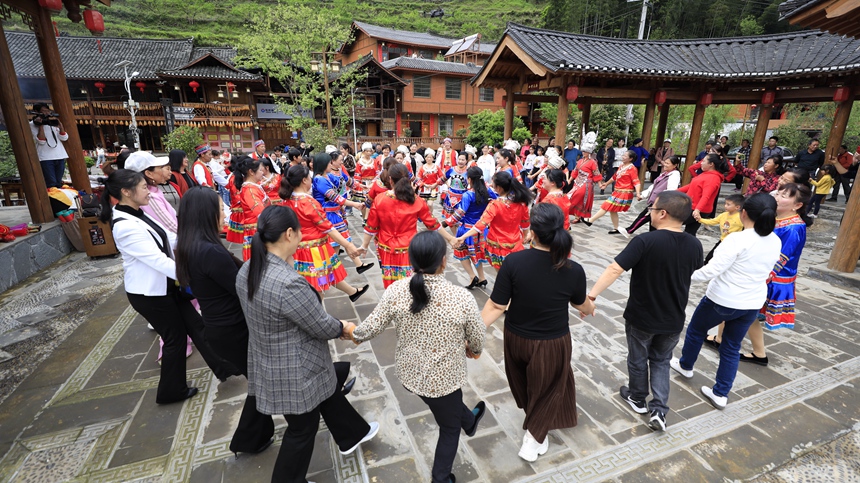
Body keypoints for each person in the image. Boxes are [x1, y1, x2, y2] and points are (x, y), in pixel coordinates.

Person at [235, 205, 379, 482]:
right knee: (302, 429)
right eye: (300, 231)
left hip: (267, 357)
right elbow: (320, 325)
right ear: (289, 233)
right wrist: (346, 328)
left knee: (327, 392)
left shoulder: (249, 268)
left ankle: (352, 434)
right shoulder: (287, 283)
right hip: (295, 367)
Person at [347, 231, 486, 483]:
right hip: (445, 379)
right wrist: (473, 350)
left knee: (449, 409)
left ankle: (470, 419)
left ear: (411, 260)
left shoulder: (396, 290)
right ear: (444, 261)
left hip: (411, 374)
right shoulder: (461, 298)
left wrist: (350, 332)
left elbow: (369, 328)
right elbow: (477, 338)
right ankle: (441, 478)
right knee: (449, 426)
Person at [100, 170, 234, 405]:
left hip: (167, 288)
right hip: (150, 294)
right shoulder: (124, 225)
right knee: (175, 339)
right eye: (143, 187)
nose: (148, 192)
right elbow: (157, 260)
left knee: (197, 326)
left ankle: (226, 367)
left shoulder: (137, 214)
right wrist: (195, 276)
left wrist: (195, 240)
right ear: (126, 192)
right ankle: (171, 391)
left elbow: (168, 238)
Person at [481, 204, 595, 461]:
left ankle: (535, 426)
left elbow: (497, 305)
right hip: (551, 342)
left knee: (527, 383)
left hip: (515, 339)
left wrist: (473, 332)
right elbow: (580, 303)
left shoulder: (514, 261)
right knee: (549, 388)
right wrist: (591, 306)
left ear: (532, 232)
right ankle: (533, 440)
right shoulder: (572, 268)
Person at [588, 191, 702, 430]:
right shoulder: (694, 244)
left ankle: (638, 397)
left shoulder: (645, 241)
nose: (649, 213)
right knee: (661, 361)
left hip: (642, 316)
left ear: (662, 213)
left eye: (652, 209)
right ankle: (659, 410)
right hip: (673, 317)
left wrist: (591, 295)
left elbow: (614, 269)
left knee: (638, 359)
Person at [174, 187, 275, 456]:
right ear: (206, 214)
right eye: (221, 209)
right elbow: (243, 288)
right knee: (265, 380)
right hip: (233, 330)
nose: (226, 212)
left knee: (263, 380)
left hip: (223, 328)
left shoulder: (192, 245)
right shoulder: (208, 251)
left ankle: (253, 438)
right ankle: (249, 439)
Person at [671, 193, 782, 410]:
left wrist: (681, 276)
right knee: (731, 347)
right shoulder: (775, 240)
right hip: (751, 303)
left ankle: (685, 366)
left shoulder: (738, 239)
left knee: (695, 330)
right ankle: (721, 393)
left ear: (744, 213)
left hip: (722, 299)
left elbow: (711, 270)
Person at [739, 183, 812, 366]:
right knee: (746, 314)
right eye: (779, 193)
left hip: (772, 279)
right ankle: (755, 351)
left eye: (785, 196)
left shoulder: (794, 227)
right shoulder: (778, 219)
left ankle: (756, 352)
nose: (778, 197)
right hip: (764, 275)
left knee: (747, 314)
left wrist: (762, 277)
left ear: (797, 205)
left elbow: (782, 258)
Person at [279, 164, 370, 301]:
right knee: (318, 285)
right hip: (314, 250)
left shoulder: (288, 200)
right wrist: (349, 245)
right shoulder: (309, 202)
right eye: (309, 178)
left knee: (323, 275)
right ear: (304, 180)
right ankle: (318, 318)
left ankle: (352, 292)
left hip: (298, 248)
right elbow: (328, 228)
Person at [359, 164, 455, 288]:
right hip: (410, 248)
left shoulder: (380, 199)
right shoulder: (416, 200)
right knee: (410, 282)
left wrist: (364, 246)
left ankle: (394, 303)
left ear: (390, 180)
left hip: (386, 247)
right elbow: (432, 224)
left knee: (391, 284)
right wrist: (450, 238)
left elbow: (371, 227)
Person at [454, 171, 532, 271]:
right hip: (516, 245)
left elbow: (481, 225)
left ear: (498, 188)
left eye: (493, 184)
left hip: (498, 247)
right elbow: (525, 223)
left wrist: (463, 237)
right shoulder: (521, 202)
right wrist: (525, 235)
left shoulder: (495, 205)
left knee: (501, 275)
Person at [311, 153, 373, 273]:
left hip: (335, 213)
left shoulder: (328, 176)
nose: (332, 165)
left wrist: (361, 187)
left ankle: (356, 265)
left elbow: (345, 181)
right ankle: (331, 270)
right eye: (330, 163)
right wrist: (355, 204)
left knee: (343, 241)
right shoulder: (319, 180)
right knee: (337, 243)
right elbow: (335, 198)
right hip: (328, 215)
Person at [446, 167, 497, 289]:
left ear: (469, 179)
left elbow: (460, 213)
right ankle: (482, 277)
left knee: (461, 252)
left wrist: (446, 222)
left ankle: (471, 276)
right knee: (478, 254)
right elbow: (496, 201)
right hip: (482, 230)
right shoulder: (488, 191)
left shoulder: (468, 195)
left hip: (467, 230)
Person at [582, 150, 641, 236]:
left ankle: (590, 220)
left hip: (624, 192)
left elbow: (636, 181)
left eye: (625, 156)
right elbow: (614, 177)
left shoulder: (632, 168)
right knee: (612, 210)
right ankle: (616, 228)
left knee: (606, 205)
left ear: (630, 159)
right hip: (617, 192)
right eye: (623, 155)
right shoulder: (621, 166)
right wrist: (606, 184)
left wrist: (638, 193)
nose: (623, 157)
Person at [127, 152, 181, 232]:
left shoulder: (153, 191)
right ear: (149, 173)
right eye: (160, 168)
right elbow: (172, 227)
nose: (163, 172)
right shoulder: (149, 196)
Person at [626, 155, 681, 234]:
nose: (665, 164)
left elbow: (671, 190)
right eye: (665, 162)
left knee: (644, 216)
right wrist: (643, 195)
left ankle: (629, 230)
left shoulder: (674, 175)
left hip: (660, 202)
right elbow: (653, 187)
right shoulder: (664, 174)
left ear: (675, 165)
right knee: (653, 221)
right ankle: (653, 237)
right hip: (655, 201)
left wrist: (660, 198)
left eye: (668, 163)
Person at [677, 154, 729, 236]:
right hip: (693, 207)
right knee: (689, 233)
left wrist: (698, 210)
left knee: (671, 223)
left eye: (704, 161)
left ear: (711, 164)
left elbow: (706, 196)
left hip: (698, 209)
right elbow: (691, 186)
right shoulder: (705, 174)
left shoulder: (713, 178)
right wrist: (674, 192)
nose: (701, 163)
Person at [234, 156, 270, 261]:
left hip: (259, 227)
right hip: (256, 229)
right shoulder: (249, 190)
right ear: (251, 172)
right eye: (260, 170)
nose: (262, 172)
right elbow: (260, 211)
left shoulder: (253, 187)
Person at [29, 103, 69, 188]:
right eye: (44, 111)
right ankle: (52, 200)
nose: (46, 113)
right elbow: (41, 141)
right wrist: (41, 125)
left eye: (48, 111)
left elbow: (64, 138)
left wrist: (61, 127)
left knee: (58, 182)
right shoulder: (32, 124)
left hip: (60, 155)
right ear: (36, 112)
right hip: (45, 157)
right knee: (51, 183)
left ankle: (59, 200)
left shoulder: (51, 120)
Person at [697, 194, 745, 263]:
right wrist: (700, 219)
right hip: (722, 240)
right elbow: (712, 221)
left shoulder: (740, 217)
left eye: (728, 204)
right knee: (710, 257)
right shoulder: (723, 215)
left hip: (733, 243)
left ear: (737, 207)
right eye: (725, 203)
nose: (725, 206)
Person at [568, 132, 603, 223]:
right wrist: (570, 179)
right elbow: (575, 170)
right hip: (578, 181)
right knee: (571, 196)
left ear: (589, 152)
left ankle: (580, 215)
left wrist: (600, 184)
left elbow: (596, 173)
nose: (583, 153)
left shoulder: (592, 162)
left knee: (578, 196)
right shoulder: (580, 161)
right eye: (583, 151)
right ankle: (577, 216)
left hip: (587, 182)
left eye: (585, 151)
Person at [441, 153, 470, 222]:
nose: (460, 161)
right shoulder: (452, 169)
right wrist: (434, 185)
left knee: (461, 219)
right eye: (459, 159)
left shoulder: (469, 171)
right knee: (450, 220)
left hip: (462, 198)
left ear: (466, 161)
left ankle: (459, 232)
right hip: (450, 197)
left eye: (463, 160)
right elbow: (443, 179)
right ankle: (455, 233)